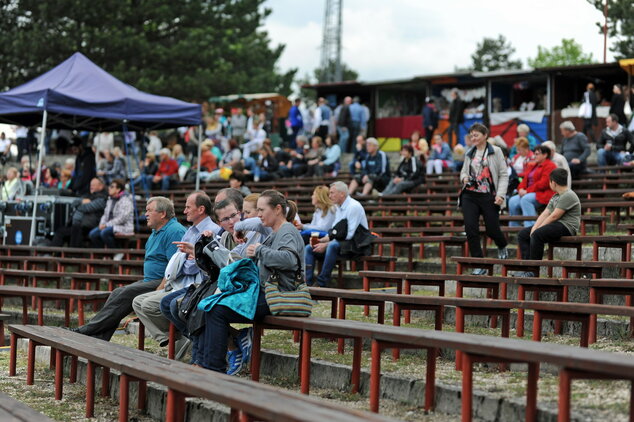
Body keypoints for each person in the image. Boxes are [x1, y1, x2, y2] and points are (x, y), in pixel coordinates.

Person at [195, 190, 303, 372]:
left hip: (280, 295)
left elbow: (290, 260)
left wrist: (260, 250)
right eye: (257, 210)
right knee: (209, 305)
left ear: (277, 209)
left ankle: (213, 369)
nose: (259, 215)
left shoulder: (287, 231)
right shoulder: (276, 230)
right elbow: (254, 225)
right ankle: (207, 364)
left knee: (216, 310)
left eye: (262, 210)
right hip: (267, 292)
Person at [73, 197, 186, 340]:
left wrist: (160, 288)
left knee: (125, 293)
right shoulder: (156, 231)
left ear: (162, 214)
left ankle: (86, 331)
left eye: (149, 211)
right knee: (117, 292)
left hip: (162, 283)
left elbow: (174, 266)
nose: (145, 214)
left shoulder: (174, 231)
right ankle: (99, 338)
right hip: (150, 280)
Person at [132, 192, 217, 359]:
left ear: (201, 209)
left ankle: (186, 335)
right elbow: (178, 262)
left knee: (154, 303)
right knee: (137, 301)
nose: (184, 211)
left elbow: (191, 267)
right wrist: (186, 258)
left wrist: (186, 258)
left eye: (187, 207)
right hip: (178, 281)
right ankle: (170, 337)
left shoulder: (209, 231)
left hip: (195, 284)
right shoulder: (190, 231)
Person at [459, 123, 509, 275]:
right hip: (470, 195)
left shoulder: (496, 151)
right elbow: (462, 172)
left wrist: (500, 195)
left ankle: (501, 244)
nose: (473, 138)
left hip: (489, 195)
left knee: (492, 229)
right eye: (471, 135)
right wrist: (464, 178)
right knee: (470, 229)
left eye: (476, 135)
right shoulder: (469, 153)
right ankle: (479, 264)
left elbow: (503, 174)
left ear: (485, 135)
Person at [305, 181, 368, 287]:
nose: (330, 196)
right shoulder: (338, 207)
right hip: (343, 243)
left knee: (332, 245)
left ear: (342, 194)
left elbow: (349, 235)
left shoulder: (354, 206)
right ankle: (307, 282)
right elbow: (334, 232)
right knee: (309, 248)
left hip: (357, 244)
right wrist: (321, 241)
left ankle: (321, 282)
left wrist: (326, 244)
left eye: (332, 193)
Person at [517, 169, 580, 275]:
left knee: (537, 235)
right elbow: (545, 213)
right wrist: (535, 227)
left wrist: (537, 229)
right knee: (523, 235)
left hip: (567, 226)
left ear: (553, 182)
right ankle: (527, 268)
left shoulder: (568, 195)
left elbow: (554, 216)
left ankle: (533, 271)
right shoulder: (556, 196)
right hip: (556, 225)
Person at [508, 145, 557, 227]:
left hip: (544, 193)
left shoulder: (550, 165)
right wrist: (520, 189)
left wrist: (527, 191)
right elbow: (524, 180)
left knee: (526, 199)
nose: (535, 155)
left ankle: (530, 227)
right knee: (512, 201)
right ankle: (514, 228)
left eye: (537, 154)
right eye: (534, 153)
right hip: (528, 192)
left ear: (545, 155)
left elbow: (544, 183)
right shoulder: (532, 165)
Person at [51, 177, 107, 247]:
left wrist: (80, 204)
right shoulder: (88, 196)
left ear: (101, 186)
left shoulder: (102, 198)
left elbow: (85, 208)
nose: (91, 187)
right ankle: (55, 254)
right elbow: (74, 203)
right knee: (61, 231)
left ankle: (72, 254)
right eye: (90, 185)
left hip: (90, 226)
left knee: (72, 231)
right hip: (81, 224)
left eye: (94, 185)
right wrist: (82, 202)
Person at [88, 179, 134, 248]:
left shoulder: (126, 200)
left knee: (104, 233)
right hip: (109, 226)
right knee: (92, 234)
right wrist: (102, 224)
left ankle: (117, 252)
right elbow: (105, 215)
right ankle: (102, 254)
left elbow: (122, 218)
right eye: (109, 186)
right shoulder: (110, 199)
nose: (109, 188)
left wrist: (106, 225)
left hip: (124, 226)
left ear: (118, 189)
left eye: (112, 187)